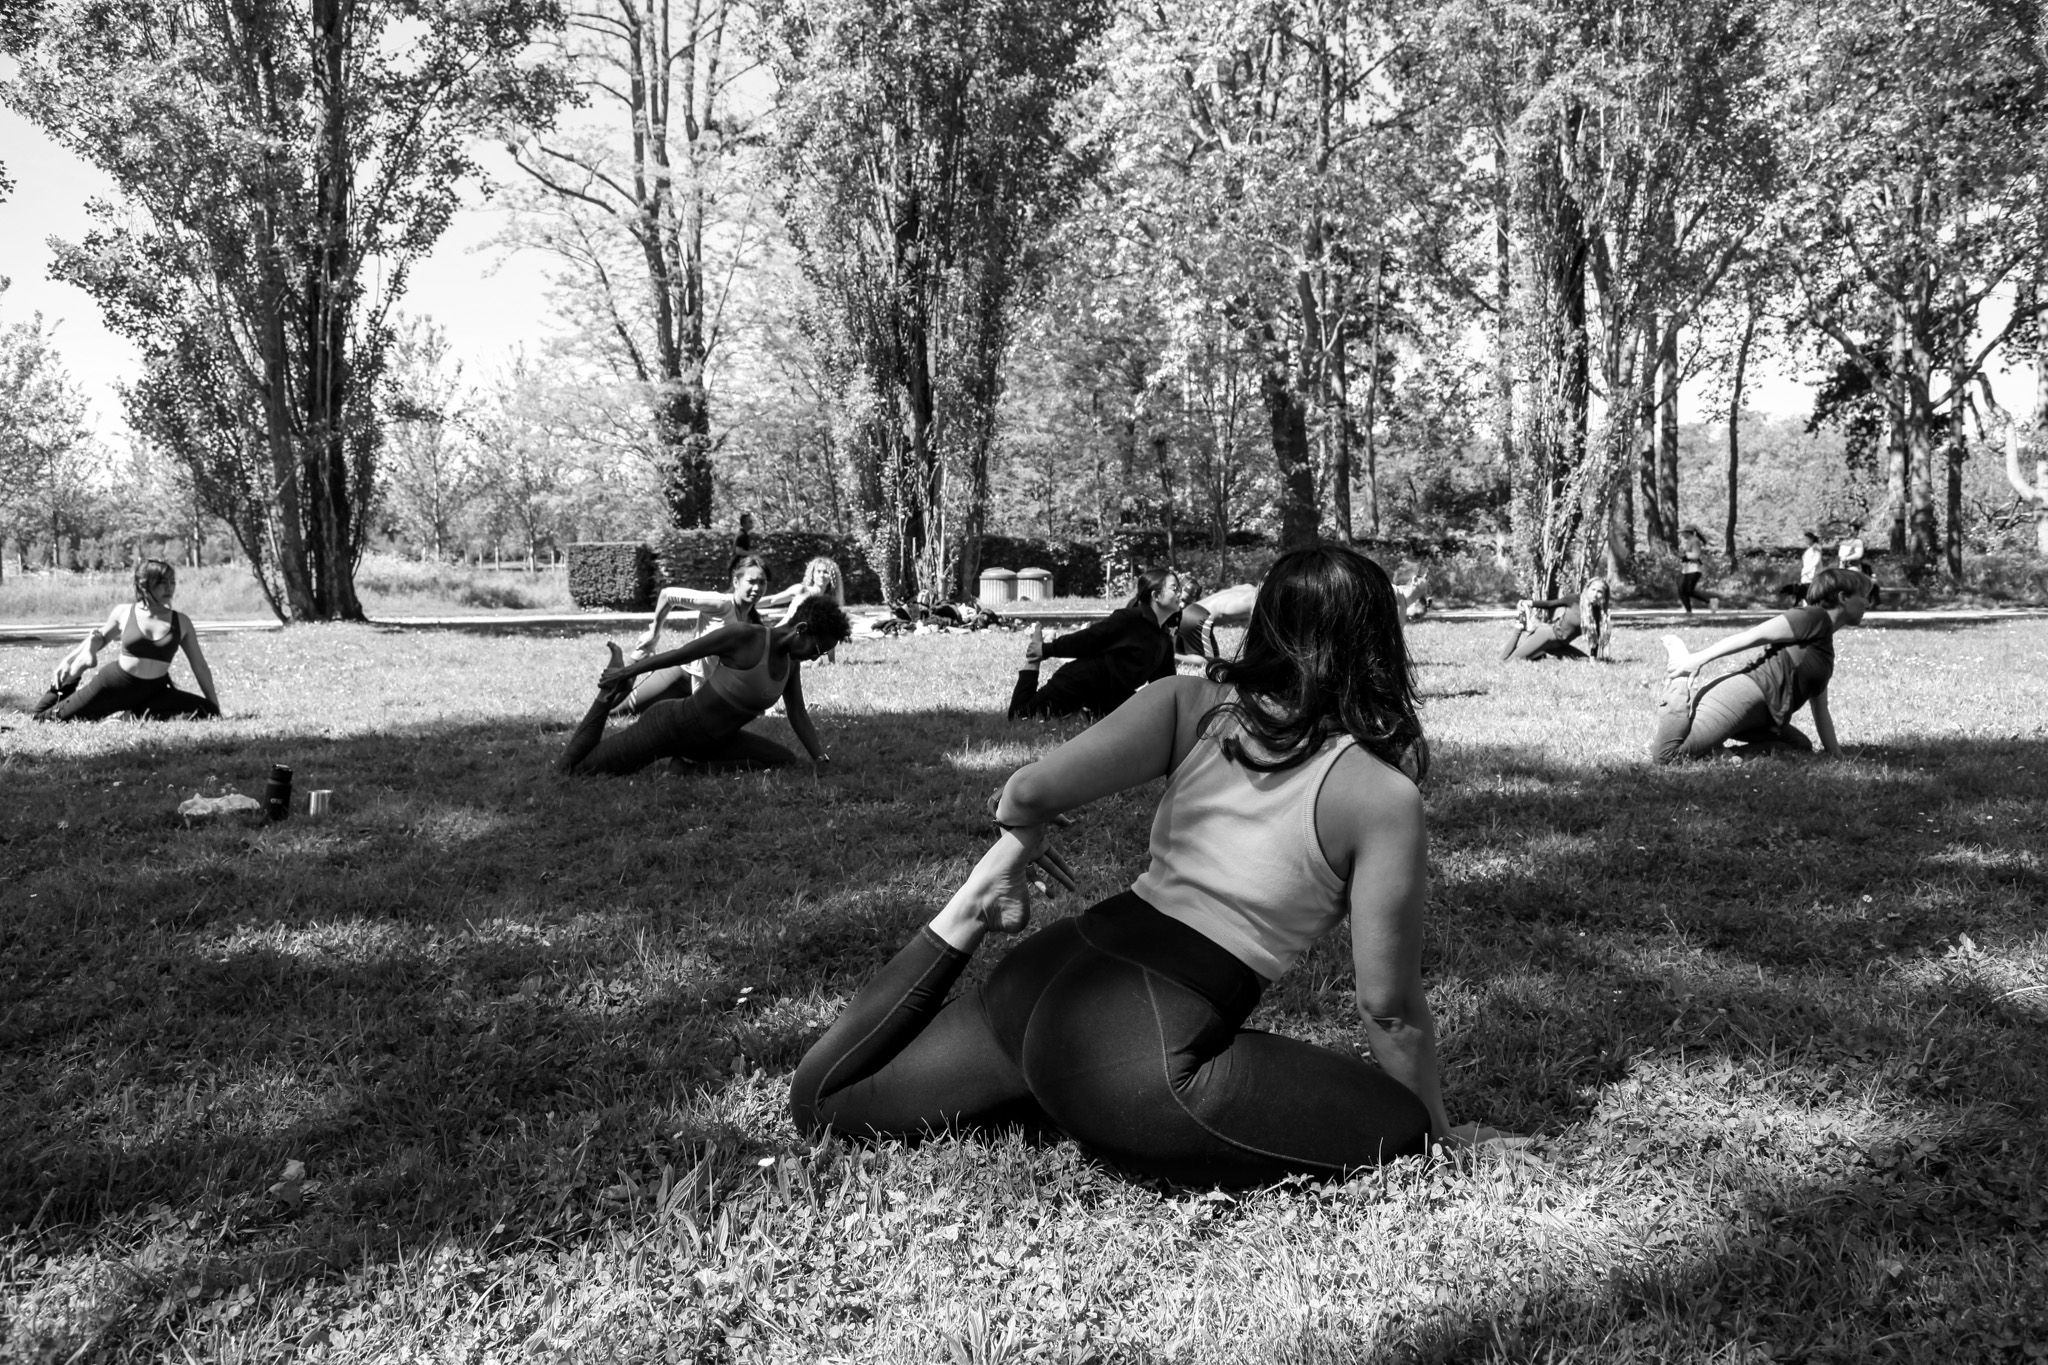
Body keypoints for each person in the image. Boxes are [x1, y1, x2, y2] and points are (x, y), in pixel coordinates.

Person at [790, 546, 1513, 1187]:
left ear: (1267, 624)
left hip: (1045, 975)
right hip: (1137, 1061)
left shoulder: (1187, 702)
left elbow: (1026, 792)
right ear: (1378, 644)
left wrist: (1019, 832)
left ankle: (972, 906)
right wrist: (1437, 1131)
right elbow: (1388, 1007)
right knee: (1399, 1126)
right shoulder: (1382, 795)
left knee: (824, 1103)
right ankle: (1069, 1089)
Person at [557, 596, 852, 778]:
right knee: (574, 771)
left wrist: (820, 758)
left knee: (784, 759)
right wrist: (630, 671)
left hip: (716, 742)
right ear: (801, 630)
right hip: (670, 727)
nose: (816, 657)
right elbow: (681, 654)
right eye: (817, 649)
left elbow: (797, 713)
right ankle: (610, 687)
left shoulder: (791, 665)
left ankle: (687, 768)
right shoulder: (745, 637)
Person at [1649, 566, 1874, 764]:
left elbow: (1820, 707)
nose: (1868, 603)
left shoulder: (1824, 647)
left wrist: (1836, 754)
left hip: (1767, 717)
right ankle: (1678, 685)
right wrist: (1696, 660)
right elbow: (1752, 636)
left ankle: (1717, 751)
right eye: (1864, 596)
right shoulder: (1813, 617)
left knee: (1799, 746)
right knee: (1668, 756)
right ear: (1843, 597)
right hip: (1743, 697)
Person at [32, 560, 221, 722]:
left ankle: (133, 715)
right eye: (161, 583)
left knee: (209, 712)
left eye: (172, 582)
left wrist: (215, 706)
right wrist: (69, 660)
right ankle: (79, 669)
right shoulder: (124, 612)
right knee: (43, 718)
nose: (169, 588)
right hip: (115, 686)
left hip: (155, 692)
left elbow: (199, 665)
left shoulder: (182, 621)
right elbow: (98, 638)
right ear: (143, 585)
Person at [1009, 567, 1183, 720]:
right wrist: (1046, 649)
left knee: (1142, 719)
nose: (1179, 594)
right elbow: (1088, 639)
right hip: (1079, 682)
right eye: (1174, 589)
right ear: (1156, 595)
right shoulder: (1129, 620)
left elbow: (1166, 686)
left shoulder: (1164, 639)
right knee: (1021, 715)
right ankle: (1032, 662)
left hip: (1111, 696)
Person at [618, 554, 770, 715]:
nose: (757, 588)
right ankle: (638, 658)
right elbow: (668, 595)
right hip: (681, 677)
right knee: (618, 711)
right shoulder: (721, 604)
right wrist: (654, 633)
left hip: (709, 689)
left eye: (762, 582)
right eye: (751, 581)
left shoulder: (752, 622)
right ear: (736, 582)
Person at [1500, 579, 1612, 662]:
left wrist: (1593, 658)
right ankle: (1519, 628)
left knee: (1585, 661)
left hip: (1560, 645)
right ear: (1587, 589)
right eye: (1593, 590)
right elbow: (1550, 604)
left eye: (1599, 592)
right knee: (1507, 661)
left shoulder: (1599, 613)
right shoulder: (1574, 599)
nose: (1595, 594)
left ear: (1604, 595)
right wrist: (1528, 603)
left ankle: (1538, 654)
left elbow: (1594, 638)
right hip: (1546, 636)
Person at [761, 557, 847, 664]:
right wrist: (749, 602)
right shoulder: (801, 590)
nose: (821, 575)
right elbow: (772, 600)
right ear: (812, 574)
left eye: (825, 572)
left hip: (800, 643)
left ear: (832, 577)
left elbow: (830, 633)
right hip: (781, 635)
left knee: (817, 661)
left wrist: (832, 662)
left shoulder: (829, 602)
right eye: (818, 571)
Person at [1777, 532, 1825, 603]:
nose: (1806, 541)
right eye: (1805, 539)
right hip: (1806, 573)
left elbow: (1817, 560)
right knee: (1804, 591)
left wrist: (1809, 570)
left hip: (1813, 573)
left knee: (1811, 591)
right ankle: (1806, 606)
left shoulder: (1816, 547)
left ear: (1812, 539)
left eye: (1807, 539)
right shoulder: (1810, 549)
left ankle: (1812, 606)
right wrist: (1804, 571)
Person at [1678, 527, 1708, 616]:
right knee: (1681, 589)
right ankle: (1688, 611)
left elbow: (1696, 555)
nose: (1682, 535)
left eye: (1683, 532)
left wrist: (1685, 555)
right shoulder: (1687, 541)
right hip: (1686, 569)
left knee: (1688, 591)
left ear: (1688, 532)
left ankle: (1709, 602)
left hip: (1694, 569)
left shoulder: (1695, 541)